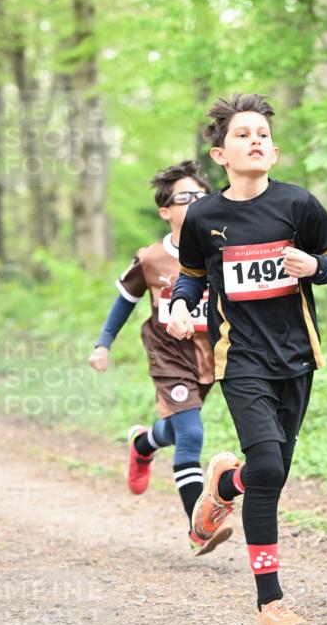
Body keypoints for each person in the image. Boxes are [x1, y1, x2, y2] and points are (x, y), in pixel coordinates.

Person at [167, 93, 327, 625]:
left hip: (297, 358)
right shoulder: (204, 217)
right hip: (239, 359)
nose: (257, 141)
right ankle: (271, 605)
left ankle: (226, 482)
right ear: (221, 154)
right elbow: (192, 276)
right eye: (244, 134)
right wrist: (179, 303)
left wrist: (314, 265)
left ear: (275, 150)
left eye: (263, 134)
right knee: (268, 466)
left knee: (271, 474)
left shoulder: (299, 205)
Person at [88, 161, 229, 555]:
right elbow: (125, 303)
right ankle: (198, 526)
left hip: (209, 356)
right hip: (168, 357)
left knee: (174, 428)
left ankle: (144, 444)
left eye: (203, 196)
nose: (197, 202)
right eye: (186, 198)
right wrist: (103, 344)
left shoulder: (223, 250)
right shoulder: (152, 258)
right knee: (192, 434)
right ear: (166, 211)